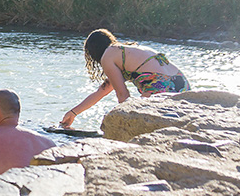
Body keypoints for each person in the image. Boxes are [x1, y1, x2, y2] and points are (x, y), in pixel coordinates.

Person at [59, 29, 189, 128]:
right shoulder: (123, 50)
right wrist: (73, 113)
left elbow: (123, 95)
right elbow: (102, 91)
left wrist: (124, 123)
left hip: (160, 87)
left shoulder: (108, 56)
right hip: (182, 84)